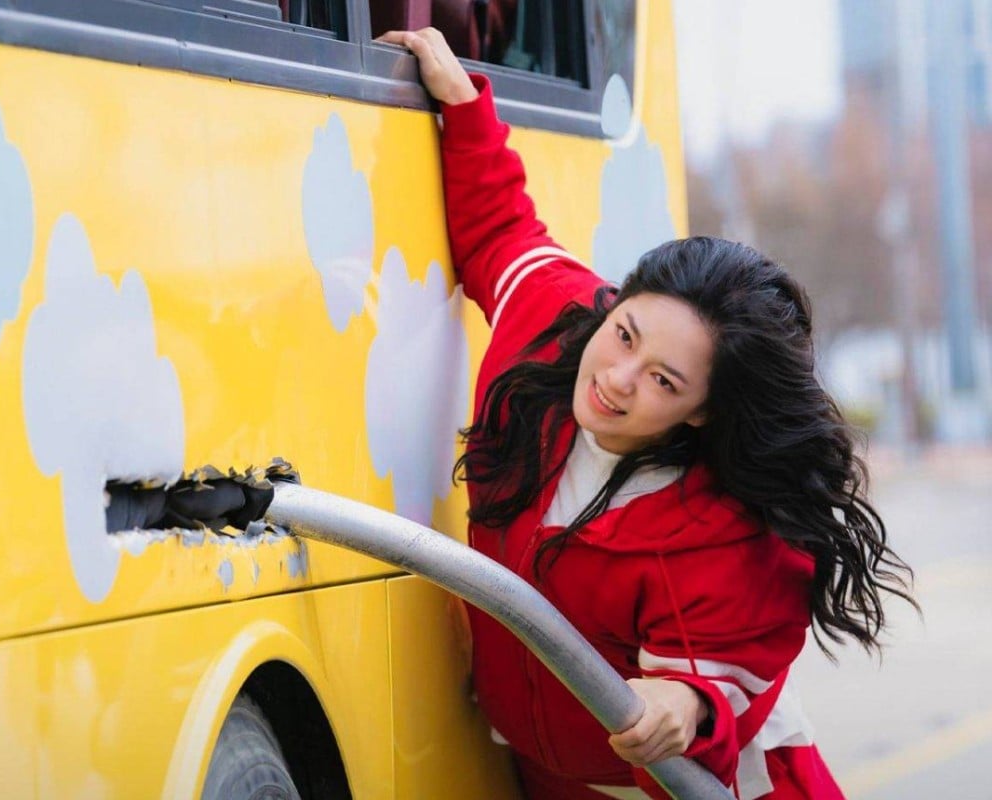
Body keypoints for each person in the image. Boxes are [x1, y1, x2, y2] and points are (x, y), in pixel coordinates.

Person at [376, 28, 917, 800]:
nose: (617, 378)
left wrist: (680, 701)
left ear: (703, 412)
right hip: (548, 774)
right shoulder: (553, 325)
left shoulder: (727, 529)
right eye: (624, 332)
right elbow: (502, 229)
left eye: (663, 380)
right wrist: (463, 106)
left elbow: (713, 684)